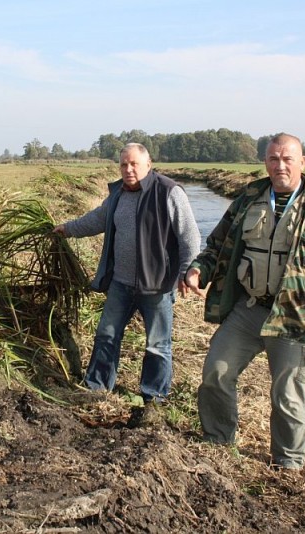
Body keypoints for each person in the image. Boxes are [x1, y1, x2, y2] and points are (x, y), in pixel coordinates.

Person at [183, 133, 305, 469]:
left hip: (294, 318)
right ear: (265, 162)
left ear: (302, 163)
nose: (280, 165)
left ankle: (288, 463)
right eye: (273, 159)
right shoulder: (248, 198)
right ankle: (219, 441)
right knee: (215, 373)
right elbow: (216, 245)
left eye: (287, 159)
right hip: (247, 309)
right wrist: (197, 271)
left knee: (288, 395)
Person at [53, 142, 201, 412]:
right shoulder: (118, 194)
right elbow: (99, 218)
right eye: (124, 164)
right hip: (121, 283)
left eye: (134, 164)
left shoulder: (168, 192)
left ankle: (153, 398)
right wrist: (68, 229)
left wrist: (186, 271)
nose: (128, 169)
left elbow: (189, 236)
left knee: (157, 344)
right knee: (106, 336)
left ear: (148, 164)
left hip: (156, 286)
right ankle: (96, 387)